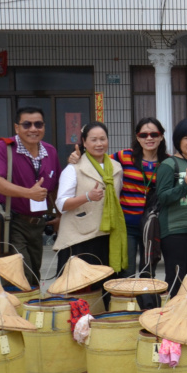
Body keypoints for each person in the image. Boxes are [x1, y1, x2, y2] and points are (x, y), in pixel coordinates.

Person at [69, 117, 167, 277]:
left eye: (154, 134)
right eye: (144, 135)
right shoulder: (123, 157)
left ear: (161, 136)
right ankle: (124, 302)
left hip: (152, 226)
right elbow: (98, 162)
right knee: (125, 271)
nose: (149, 138)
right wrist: (77, 157)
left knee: (148, 272)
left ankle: (148, 302)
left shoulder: (167, 162)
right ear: (137, 137)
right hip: (126, 225)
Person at [0, 105, 61, 286]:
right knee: (19, 277)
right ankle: (14, 312)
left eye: (38, 124)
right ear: (16, 127)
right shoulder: (3, 147)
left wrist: (60, 215)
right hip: (12, 222)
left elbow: (56, 187)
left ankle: (26, 312)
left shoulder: (50, 152)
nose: (33, 129)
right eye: (27, 124)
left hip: (37, 224)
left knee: (33, 276)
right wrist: (29, 193)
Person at [55, 120, 125, 282]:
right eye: (93, 140)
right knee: (80, 289)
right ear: (84, 142)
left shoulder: (116, 168)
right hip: (80, 239)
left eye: (103, 139)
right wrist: (87, 197)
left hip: (108, 237)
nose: (99, 143)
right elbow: (62, 204)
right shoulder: (73, 168)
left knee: (105, 288)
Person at [154, 118, 187, 297]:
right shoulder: (168, 165)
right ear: (178, 140)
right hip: (175, 230)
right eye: (186, 138)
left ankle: (186, 316)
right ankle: (172, 318)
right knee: (176, 278)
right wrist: (184, 186)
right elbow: (162, 197)